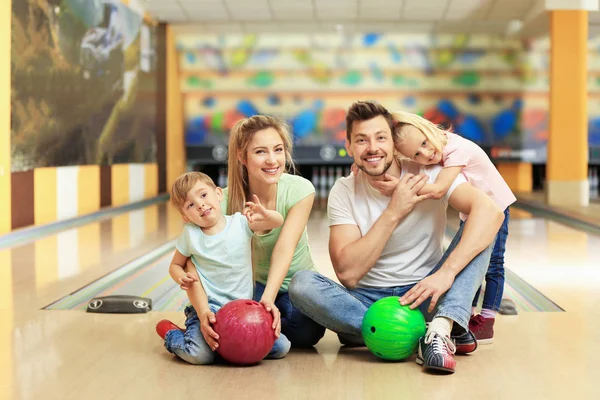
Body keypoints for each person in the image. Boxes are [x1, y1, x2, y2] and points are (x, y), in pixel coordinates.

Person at [289, 101, 504, 374]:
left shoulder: (429, 173)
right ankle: (426, 333)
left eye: (380, 138)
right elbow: (348, 274)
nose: (372, 148)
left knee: (482, 231)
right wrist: (394, 210)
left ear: (393, 143)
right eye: (361, 140)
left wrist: (446, 273)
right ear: (349, 146)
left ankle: (433, 329)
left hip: (426, 295)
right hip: (366, 302)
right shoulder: (343, 190)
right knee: (302, 284)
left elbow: (491, 213)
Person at [186, 115, 326, 348]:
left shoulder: (301, 189)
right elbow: (193, 255)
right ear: (242, 156)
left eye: (278, 150)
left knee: (307, 333)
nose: (272, 160)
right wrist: (202, 310)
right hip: (250, 287)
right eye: (261, 152)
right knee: (227, 329)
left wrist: (267, 300)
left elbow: (285, 247)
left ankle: (256, 328)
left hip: (296, 288)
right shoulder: (223, 200)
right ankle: (204, 322)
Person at [390, 110, 516, 344]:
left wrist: (398, 185)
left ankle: (487, 321)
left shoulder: (457, 149)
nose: (426, 154)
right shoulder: (435, 152)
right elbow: (406, 161)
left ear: (429, 128)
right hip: (471, 211)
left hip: (496, 206)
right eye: (417, 154)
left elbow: (438, 190)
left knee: (494, 263)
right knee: (469, 261)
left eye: (425, 143)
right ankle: (465, 315)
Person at [155, 171, 291, 364]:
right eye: (190, 205)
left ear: (218, 194)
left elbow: (276, 222)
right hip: (210, 311)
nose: (200, 204)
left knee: (281, 347)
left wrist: (267, 214)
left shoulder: (240, 223)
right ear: (185, 216)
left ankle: (220, 346)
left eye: (203, 195)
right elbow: (175, 265)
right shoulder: (190, 234)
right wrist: (180, 277)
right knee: (199, 355)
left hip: (243, 312)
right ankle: (173, 334)